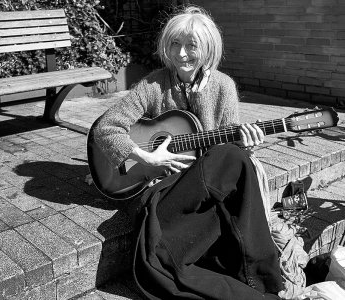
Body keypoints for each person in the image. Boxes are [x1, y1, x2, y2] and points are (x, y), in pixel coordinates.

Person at [93, 5, 283, 300]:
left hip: (202, 186)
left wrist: (244, 141)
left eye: (191, 46)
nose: (181, 54)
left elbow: (224, 156)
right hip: (162, 189)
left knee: (236, 158)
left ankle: (261, 279)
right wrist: (146, 157)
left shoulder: (223, 87)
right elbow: (105, 128)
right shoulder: (154, 84)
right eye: (175, 44)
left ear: (207, 49)